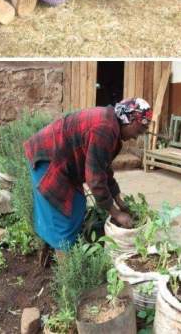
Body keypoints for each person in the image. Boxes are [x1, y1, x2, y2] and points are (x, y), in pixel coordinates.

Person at [23, 98, 149, 260]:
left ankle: (57, 250)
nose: (135, 137)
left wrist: (118, 199)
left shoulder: (112, 126)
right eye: (138, 131)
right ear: (130, 120)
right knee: (62, 215)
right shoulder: (105, 129)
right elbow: (95, 178)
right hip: (48, 157)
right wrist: (116, 213)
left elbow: (103, 167)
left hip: (65, 159)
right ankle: (66, 273)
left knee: (77, 205)